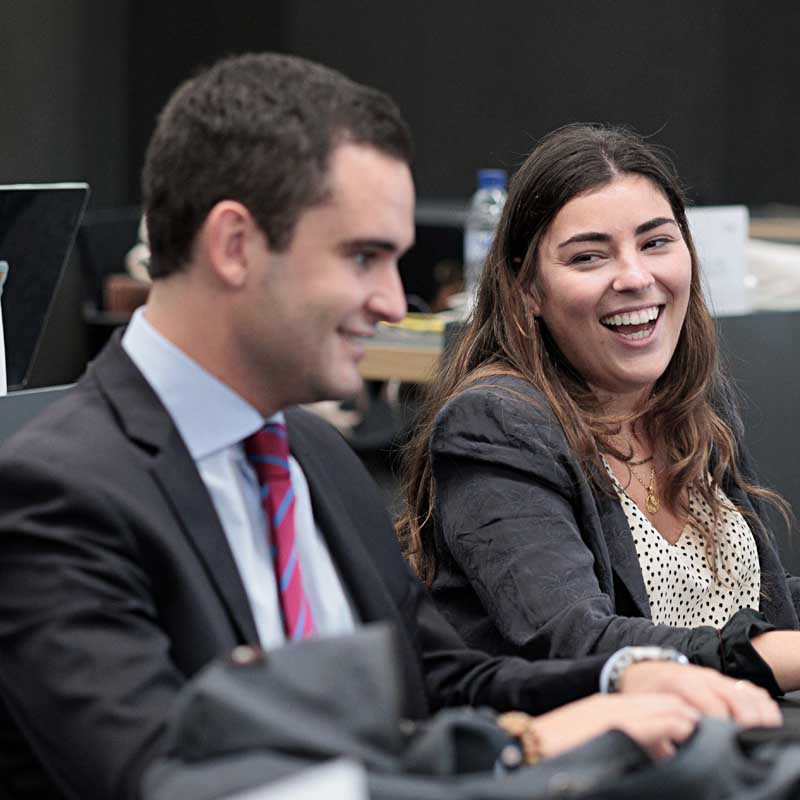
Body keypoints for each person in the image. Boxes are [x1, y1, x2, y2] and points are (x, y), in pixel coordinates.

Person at [0, 63, 777, 800]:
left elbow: (442, 678)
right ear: (235, 246)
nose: (391, 300)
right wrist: (518, 746)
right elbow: (171, 784)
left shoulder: (310, 455)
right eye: (363, 257)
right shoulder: (58, 495)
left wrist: (624, 678)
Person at [398, 123, 800, 698]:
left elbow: (755, 604)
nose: (635, 277)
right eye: (588, 257)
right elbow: (577, 642)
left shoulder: (693, 403)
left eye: (656, 243)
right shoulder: (494, 425)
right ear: (528, 289)